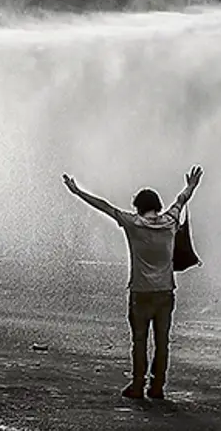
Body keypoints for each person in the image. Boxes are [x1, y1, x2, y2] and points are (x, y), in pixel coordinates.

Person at [61, 165, 203, 400]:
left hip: (140, 293)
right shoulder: (169, 221)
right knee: (162, 342)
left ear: (138, 207)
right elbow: (181, 200)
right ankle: (158, 387)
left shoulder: (133, 223)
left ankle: (138, 385)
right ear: (157, 206)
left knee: (139, 341)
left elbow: (104, 206)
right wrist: (191, 185)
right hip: (166, 293)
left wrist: (77, 191)